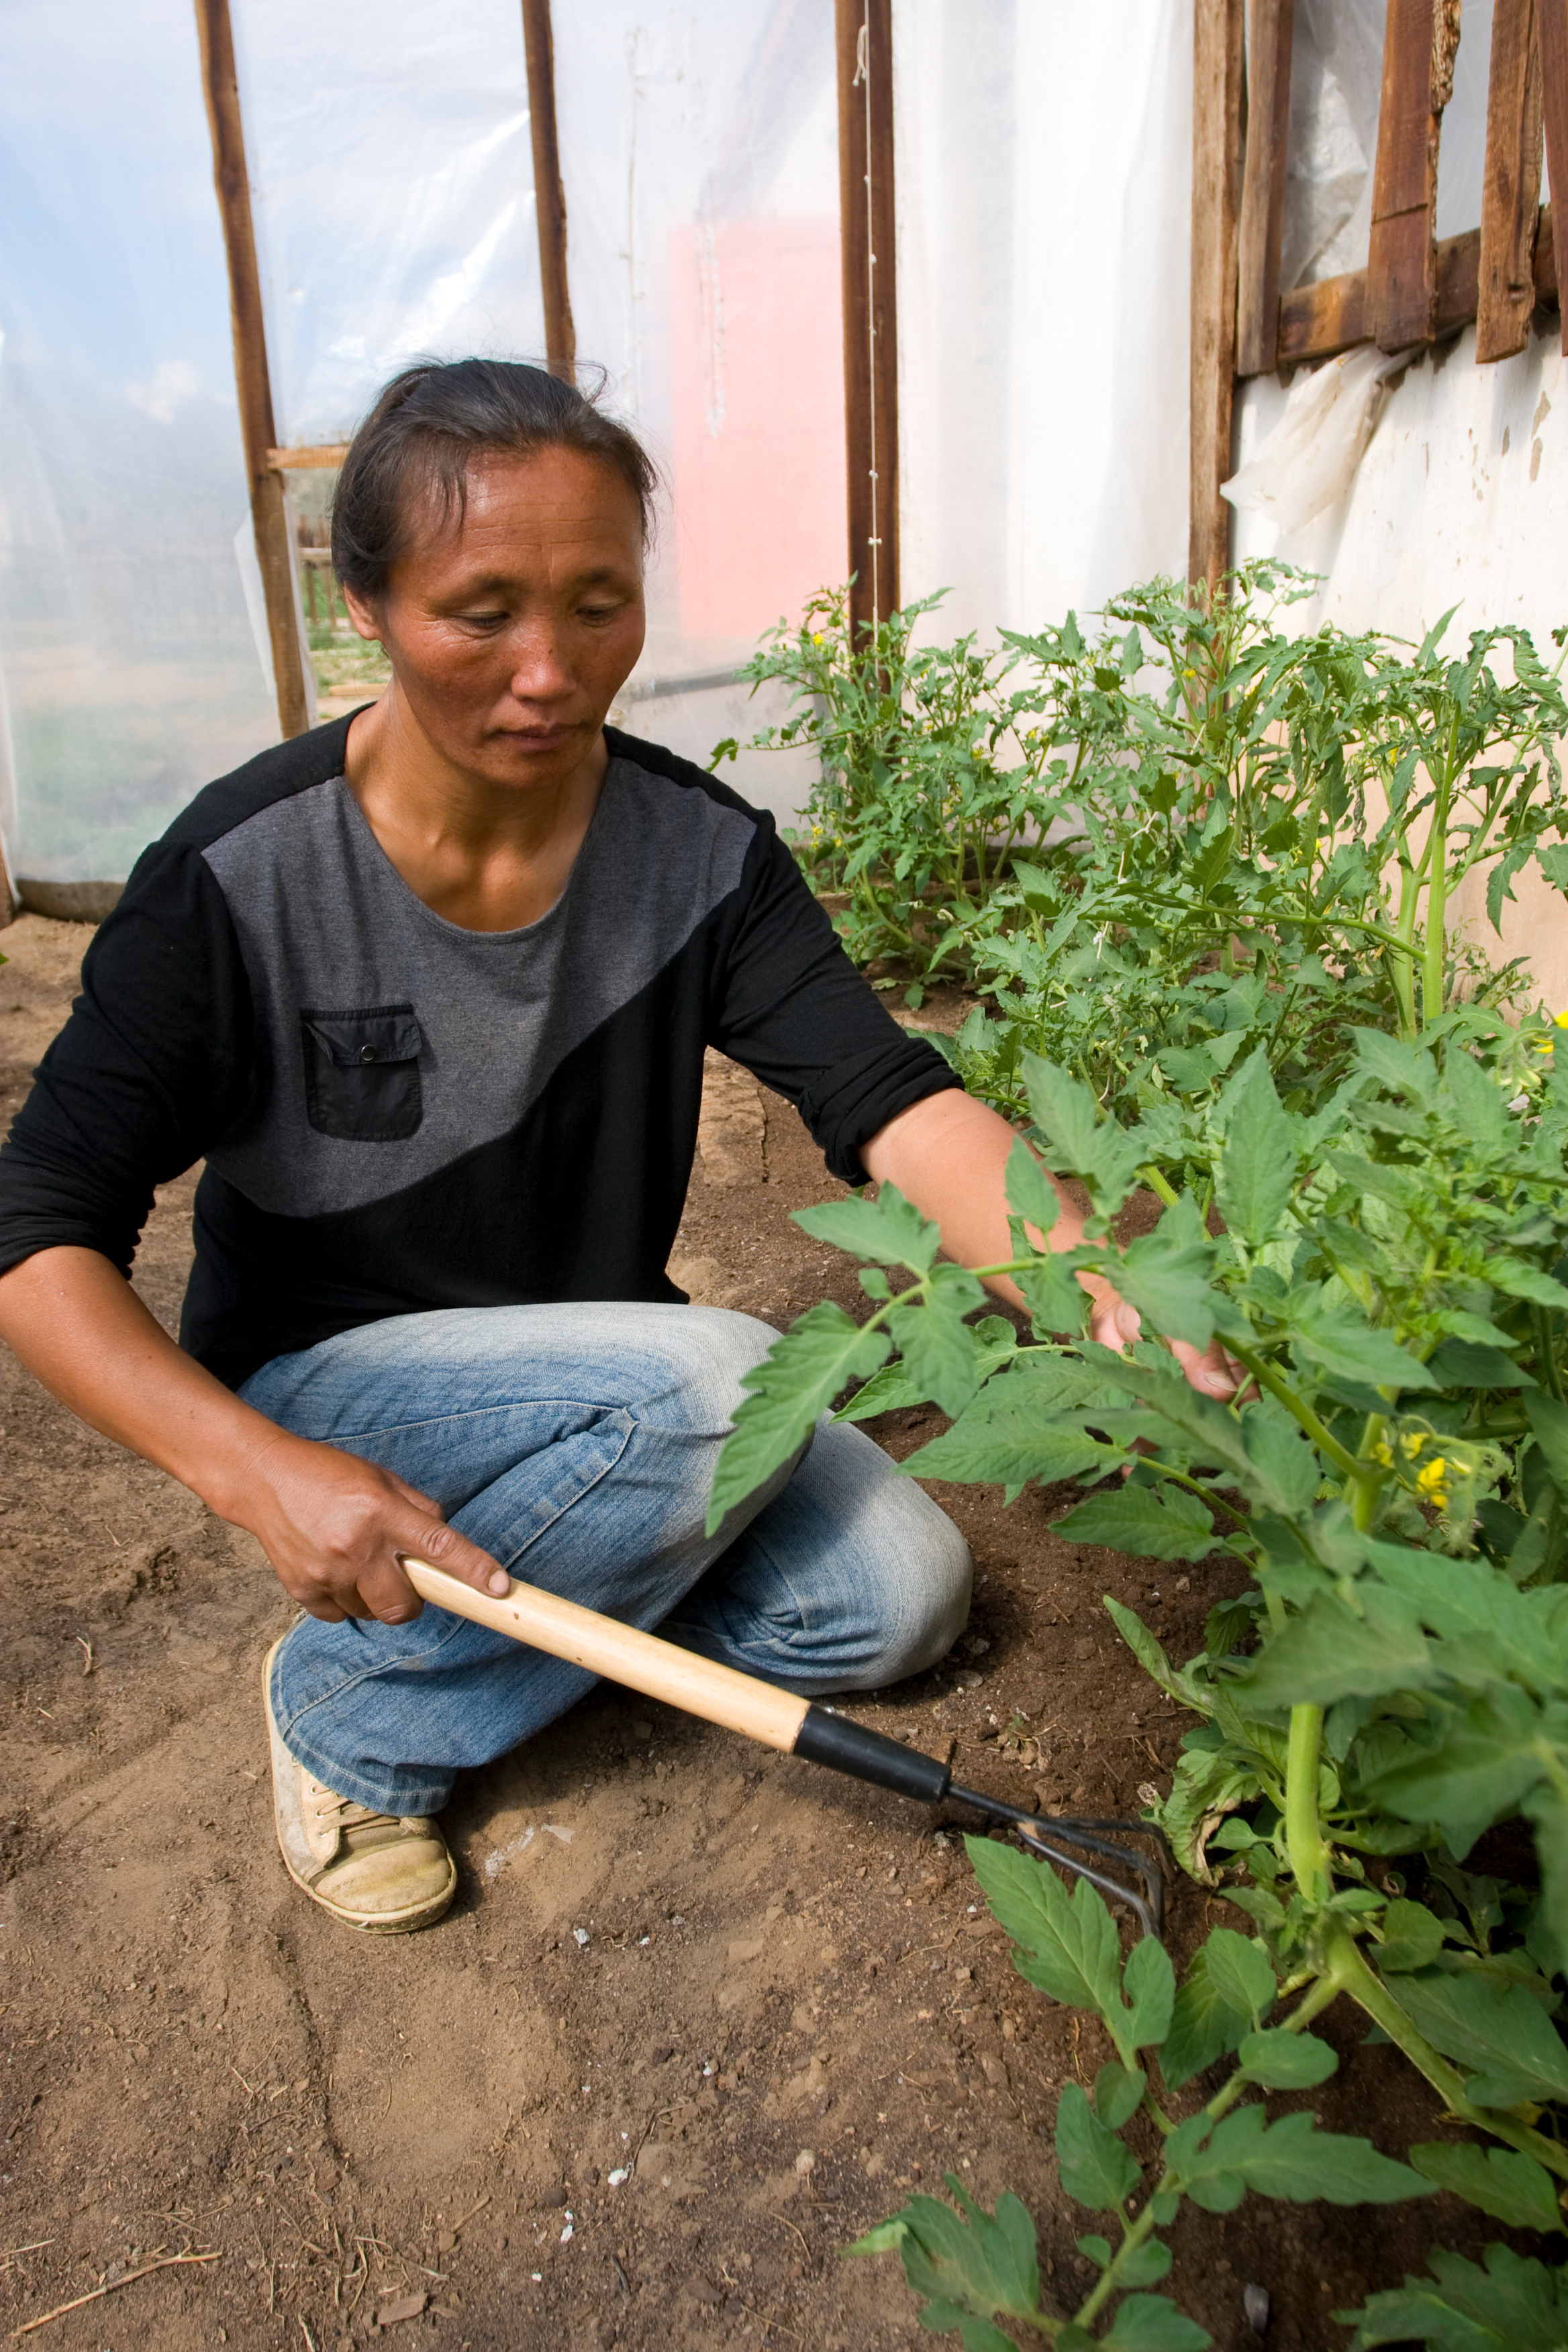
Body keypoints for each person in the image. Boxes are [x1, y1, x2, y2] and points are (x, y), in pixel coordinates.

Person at [0, 360, 1235, 1937]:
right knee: (716, 1383)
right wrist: (257, 1478)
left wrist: (1095, 1275)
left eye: (598, 605)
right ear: (364, 605)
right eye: (482, 610)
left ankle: (530, 1597)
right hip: (331, 1378)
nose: (550, 669)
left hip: (599, 1378)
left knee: (896, 1602)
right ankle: (349, 1714)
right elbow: (35, 1237)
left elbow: (891, 1098)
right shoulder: (242, 878)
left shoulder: (697, 857)